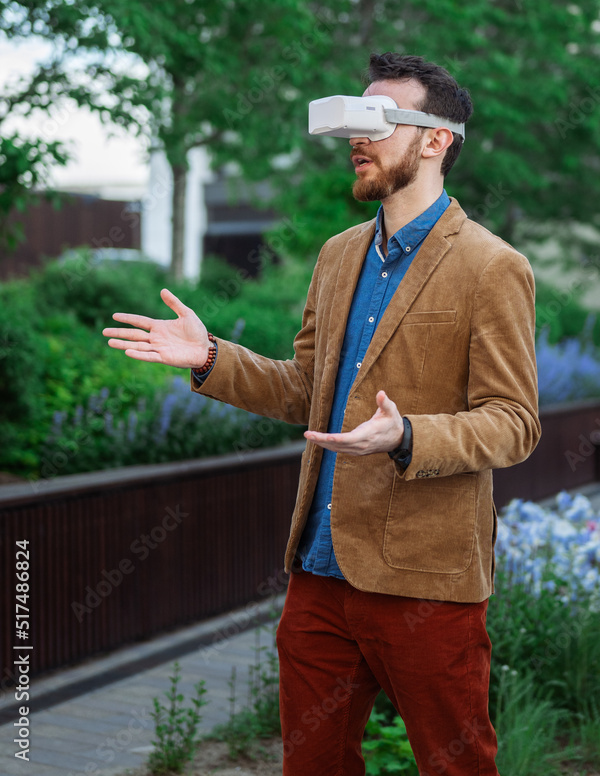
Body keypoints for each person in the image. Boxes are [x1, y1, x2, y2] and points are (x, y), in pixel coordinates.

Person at [103, 51, 540, 776]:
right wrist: (210, 357)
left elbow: (514, 421)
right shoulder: (338, 256)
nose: (356, 139)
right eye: (353, 122)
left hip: (425, 584)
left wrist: (407, 435)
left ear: (436, 139)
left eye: (378, 121)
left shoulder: (491, 266)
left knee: (455, 765)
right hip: (318, 573)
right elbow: (307, 389)